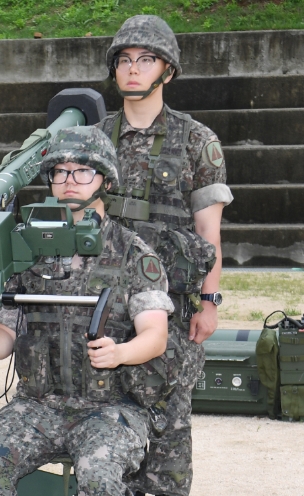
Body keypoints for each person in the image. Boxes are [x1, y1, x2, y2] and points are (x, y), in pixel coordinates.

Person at [0, 125, 175, 496]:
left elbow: (155, 336)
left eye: (83, 171)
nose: (69, 181)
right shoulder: (27, 250)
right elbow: (7, 335)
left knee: (99, 478)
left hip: (110, 408)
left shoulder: (131, 253)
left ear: (105, 180)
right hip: (38, 406)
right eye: (60, 172)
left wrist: (119, 352)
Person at [96, 15, 234, 496]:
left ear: (167, 71)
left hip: (172, 309)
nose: (133, 70)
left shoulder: (198, 141)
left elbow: (207, 231)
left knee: (167, 434)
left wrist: (210, 301)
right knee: (98, 431)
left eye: (146, 60)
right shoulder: (92, 141)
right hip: (101, 306)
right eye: (125, 60)